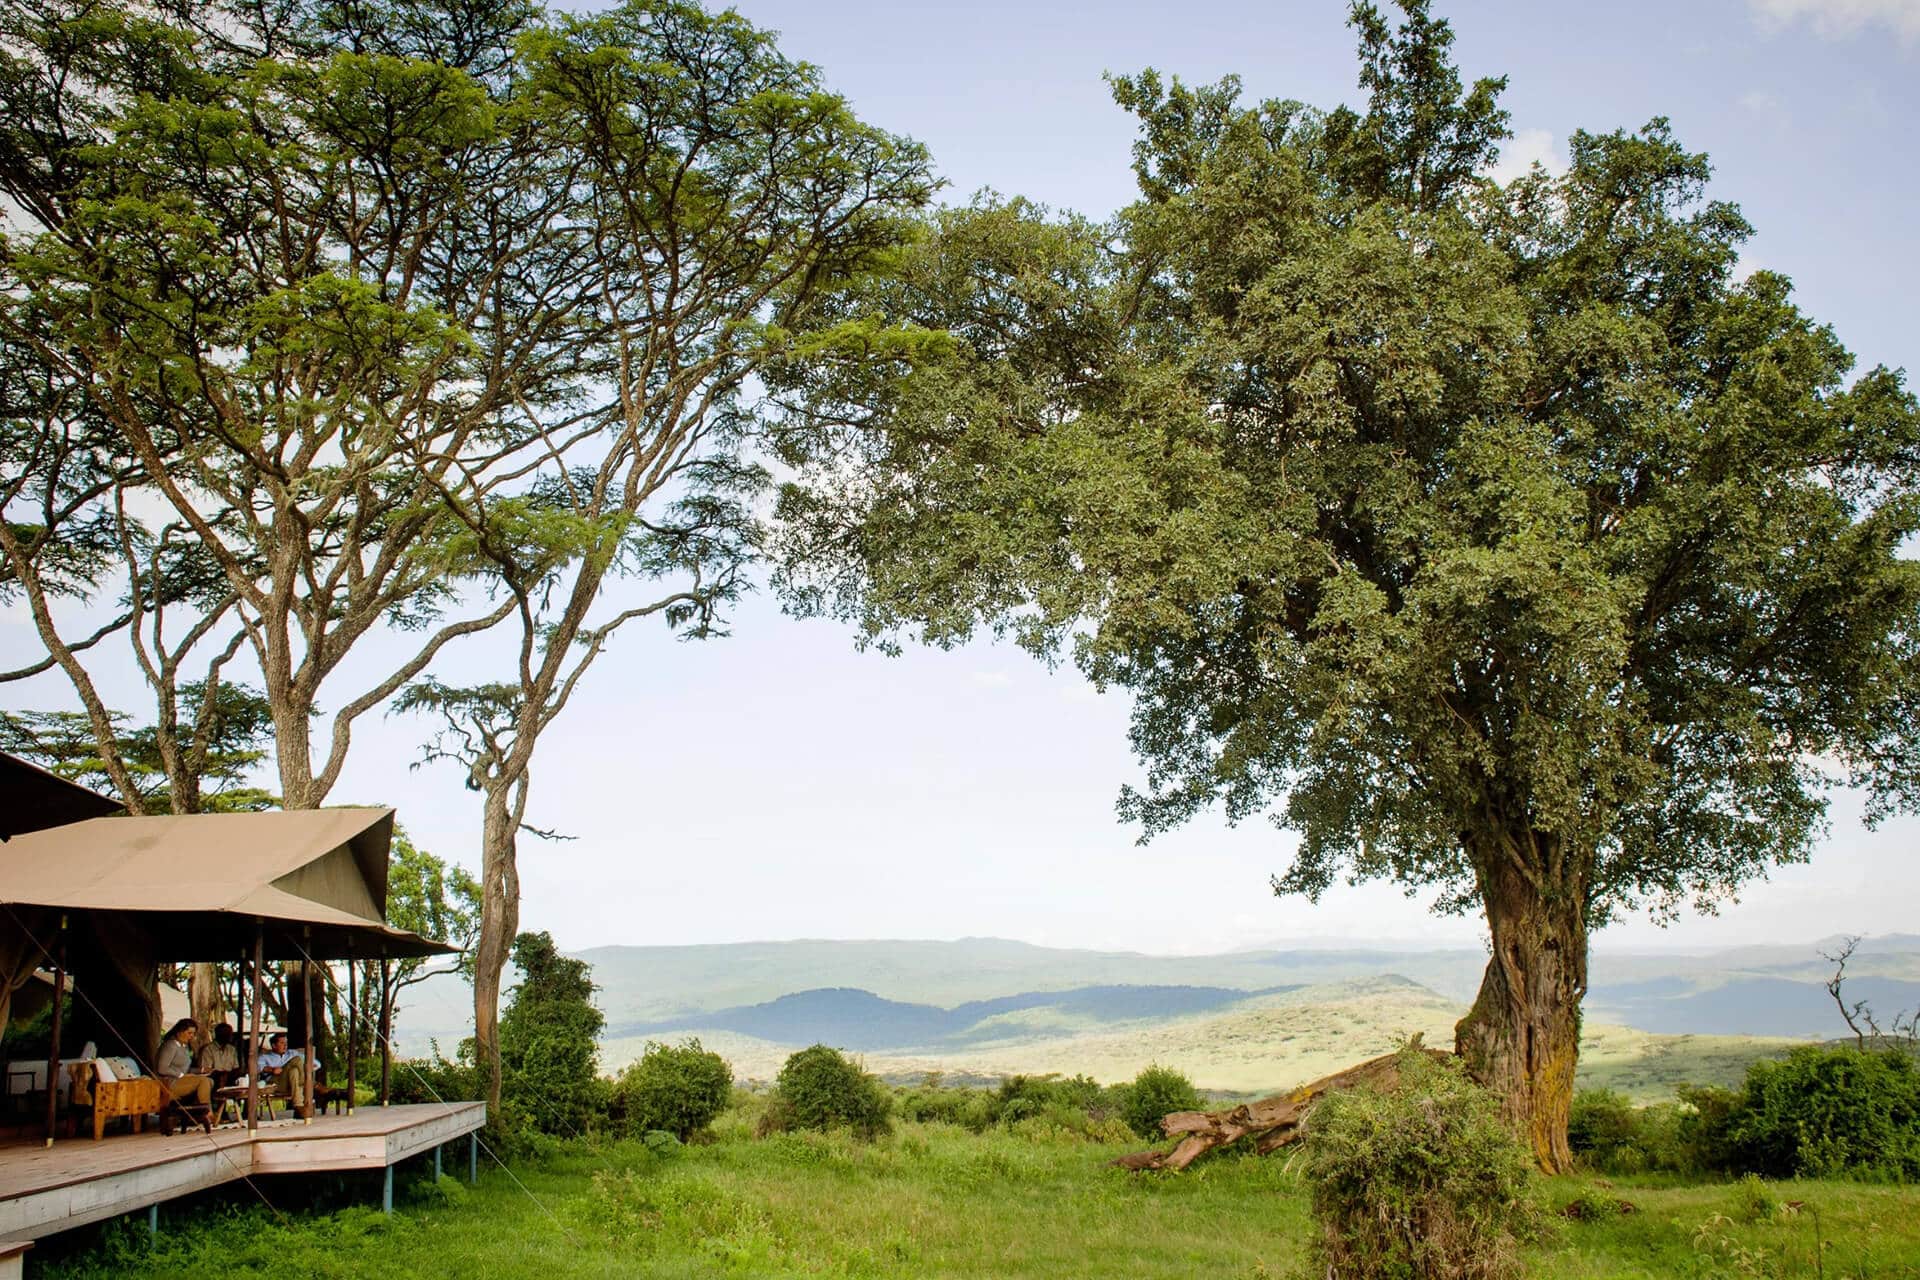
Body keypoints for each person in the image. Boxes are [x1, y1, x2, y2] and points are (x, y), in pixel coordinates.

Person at [155, 1017, 213, 1131]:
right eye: (189, 1033)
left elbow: (184, 1068)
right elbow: (162, 1068)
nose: (191, 1036)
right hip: (169, 1083)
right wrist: (181, 1075)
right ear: (180, 1031)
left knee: (209, 1080)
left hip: (180, 1080)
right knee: (203, 1081)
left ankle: (197, 1112)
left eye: (193, 1033)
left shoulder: (183, 1047)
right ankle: (206, 1111)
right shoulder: (170, 1045)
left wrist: (200, 1070)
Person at [254, 1032, 308, 1109]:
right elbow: (257, 1068)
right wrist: (271, 1069)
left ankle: (298, 1105)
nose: (285, 1045)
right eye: (282, 1043)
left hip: (291, 1082)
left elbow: (314, 1063)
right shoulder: (265, 1057)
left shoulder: (291, 1053)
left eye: (286, 1043)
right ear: (274, 1045)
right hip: (275, 1083)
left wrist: (309, 1066)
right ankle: (305, 1083)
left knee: (294, 1071)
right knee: (297, 1059)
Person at [194, 1021, 241, 1089]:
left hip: (230, 1080)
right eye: (228, 1034)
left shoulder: (232, 1049)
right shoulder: (208, 1050)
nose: (231, 1036)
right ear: (220, 1035)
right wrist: (222, 1075)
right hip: (214, 1081)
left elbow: (236, 1067)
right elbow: (207, 1070)